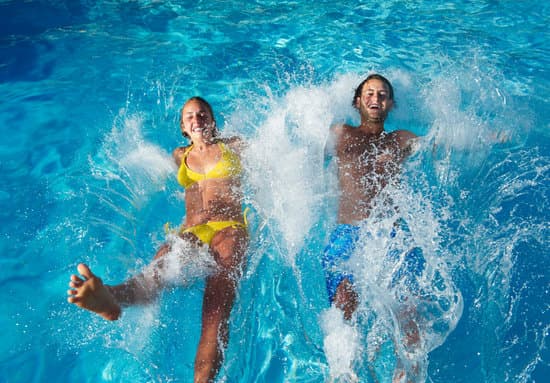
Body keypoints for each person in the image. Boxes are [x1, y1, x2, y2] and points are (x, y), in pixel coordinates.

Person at [67, 96, 249, 383]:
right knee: (156, 271)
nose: (197, 119)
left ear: (213, 122)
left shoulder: (233, 146)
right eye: (190, 116)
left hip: (228, 230)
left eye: (203, 114)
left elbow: (271, 157)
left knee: (213, 314)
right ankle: (110, 298)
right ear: (183, 128)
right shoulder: (180, 155)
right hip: (191, 232)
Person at [322, 74, 422, 380]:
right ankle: (345, 374)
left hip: (390, 232)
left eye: (382, 94)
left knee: (406, 310)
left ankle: (406, 375)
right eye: (369, 93)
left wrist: (477, 139)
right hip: (347, 232)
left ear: (390, 104)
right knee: (344, 301)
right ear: (357, 101)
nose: (375, 98)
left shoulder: (400, 139)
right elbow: (308, 159)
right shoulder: (340, 133)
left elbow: (436, 145)